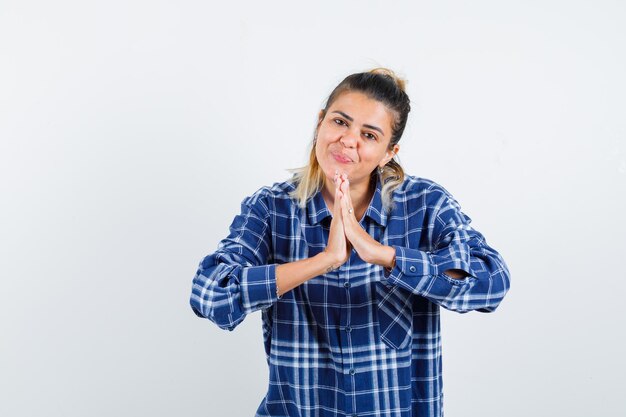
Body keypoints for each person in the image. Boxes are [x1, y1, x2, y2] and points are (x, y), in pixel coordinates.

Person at [189, 68, 511, 417]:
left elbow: (491, 282)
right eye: (340, 122)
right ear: (320, 122)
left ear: (389, 152)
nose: (347, 140)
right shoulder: (271, 208)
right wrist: (324, 260)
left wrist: (386, 256)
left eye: (369, 134)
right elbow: (210, 295)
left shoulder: (425, 204)